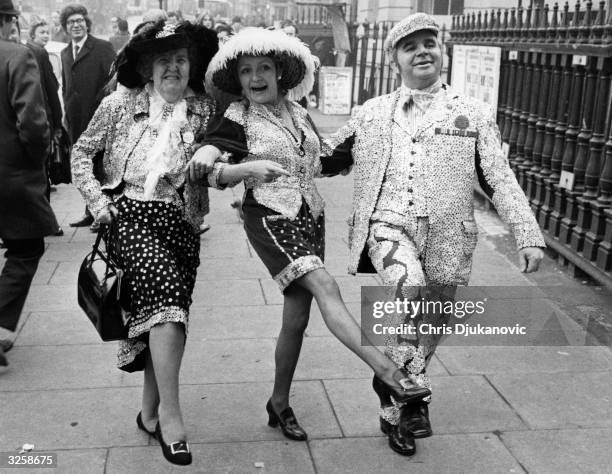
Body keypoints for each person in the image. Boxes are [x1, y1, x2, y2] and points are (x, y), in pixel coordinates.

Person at [190, 27, 430, 443]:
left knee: (297, 320)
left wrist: (370, 129)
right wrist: (240, 167)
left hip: (309, 217)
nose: (256, 76)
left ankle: (278, 403)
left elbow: (320, 162)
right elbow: (210, 170)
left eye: (264, 67)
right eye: (247, 71)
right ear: (239, 80)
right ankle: (391, 374)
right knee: (325, 284)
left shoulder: (298, 113)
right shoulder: (236, 117)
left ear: (280, 72)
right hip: (268, 216)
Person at [321, 13, 546, 455]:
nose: (423, 51)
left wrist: (527, 232)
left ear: (442, 52)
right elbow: (326, 158)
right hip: (388, 226)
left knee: (432, 324)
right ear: (394, 59)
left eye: (430, 43)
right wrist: (261, 152)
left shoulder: (474, 113)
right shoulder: (371, 113)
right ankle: (415, 399)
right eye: (411, 46)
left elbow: (499, 178)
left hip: (450, 235)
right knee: (411, 292)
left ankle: (395, 408)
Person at [70, 20, 218, 465]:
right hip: (130, 216)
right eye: (164, 60)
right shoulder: (119, 104)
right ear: (148, 67)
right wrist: (98, 203)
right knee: (168, 302)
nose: (173, 67)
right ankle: (171, 419)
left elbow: (228, 151)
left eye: (181, 59)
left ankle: (149, 412)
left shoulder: (206, 110)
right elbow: (81, 153)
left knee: (166, 316)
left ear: (192, 66)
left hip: (182, 225)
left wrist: (222, 161)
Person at [0, 0, 59, 367]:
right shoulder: (17, 56)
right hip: (12, 175)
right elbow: (34, 123)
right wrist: (37, 159)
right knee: (25, 250)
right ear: (7, 21)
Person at [59, 3, 115, 231]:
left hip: (98, 119)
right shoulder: (64, 52)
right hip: (76, 120)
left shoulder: (102, 47)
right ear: (65, 27)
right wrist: (65, 115)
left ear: (86, 23)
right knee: (85, 167)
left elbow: (114, 81)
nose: (76, 25)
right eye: (71, 22)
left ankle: (104, 214)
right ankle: (90, 211)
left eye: (79, 21)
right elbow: (66, 87)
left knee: (101, 167)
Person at [25, 20, 65, 237]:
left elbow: (52, 89)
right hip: (24, 126)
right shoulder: (35, 53)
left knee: (37, 176)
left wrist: (57, 124)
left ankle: (43, 222)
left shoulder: (37, 53)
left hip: (31, 124)